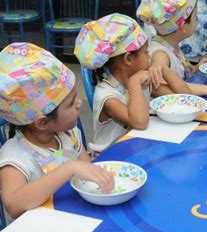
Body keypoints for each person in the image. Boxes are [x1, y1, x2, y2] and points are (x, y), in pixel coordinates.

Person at [0, 43, 114, 219]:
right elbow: (14, 204)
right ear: (42, 123)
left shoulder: (68, 135)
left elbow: (87, 174)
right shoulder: (14, 158)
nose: (80, 103)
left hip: (73, 218)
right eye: (71, 103)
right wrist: (69, 169)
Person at [74, 13, 187, 153]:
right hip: (112, 159)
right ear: (128, 59)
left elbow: (183, 97)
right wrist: (134, 83)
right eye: (146, 53)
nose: (149, 57)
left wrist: (161, 67)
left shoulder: (142, 79)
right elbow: (139, 122)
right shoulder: (106, 95)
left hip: (137, 148)